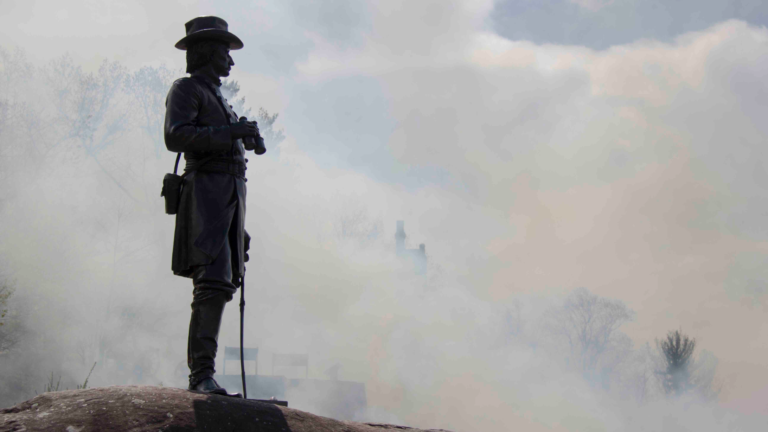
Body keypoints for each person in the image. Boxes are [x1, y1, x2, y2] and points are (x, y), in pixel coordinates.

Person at [164, 16, 260, 396]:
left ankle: (205, 373)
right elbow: (176, 136)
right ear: (206, 53)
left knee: (223, 284)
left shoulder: (220, 98)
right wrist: (229, 133)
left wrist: (239, 223)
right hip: (205, 197)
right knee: (212, 283)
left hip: (229, 201)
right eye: (225, 53)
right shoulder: (186, 89)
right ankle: (200, 376)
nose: (231, 62)